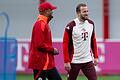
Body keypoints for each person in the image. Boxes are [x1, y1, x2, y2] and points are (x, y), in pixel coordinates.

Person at [63, 3, 99, 80]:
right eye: (84, 12)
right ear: (78, 13)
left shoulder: (91, 24)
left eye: (87, 11)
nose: (87, 13)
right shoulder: (71, 26)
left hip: (87, 60)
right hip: (74, 61)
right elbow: (65, 44)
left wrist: (96, 56)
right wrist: (66, 61)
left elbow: (93, 40)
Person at [28, 2, 62, 80]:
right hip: (40, 62)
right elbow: (39, 44)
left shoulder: (44, 23)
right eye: (51, 10)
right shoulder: (40, 24)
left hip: (47, 62)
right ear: (45, 11)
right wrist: (52, 49)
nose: (52, 12)